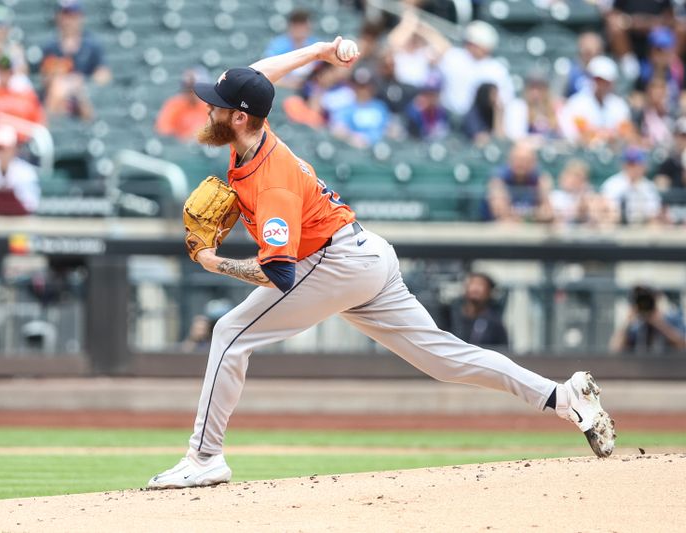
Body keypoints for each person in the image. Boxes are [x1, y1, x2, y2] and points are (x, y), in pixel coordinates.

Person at [146, 37, 616, 490]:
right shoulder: (254, 130)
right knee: (445, 359)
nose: (208, 108)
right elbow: (259, 77)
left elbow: (279, 273)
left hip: (333, 263)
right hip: (365, 253)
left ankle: (204, 458)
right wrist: (319, 51)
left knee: (230, 334)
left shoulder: (273, 184)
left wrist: (213, 261)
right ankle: (562, 397)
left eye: (217, 104)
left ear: (241, 117)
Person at [40, 0, 110, 119]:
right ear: (58, 17)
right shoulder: (50, 46)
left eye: (73, 15)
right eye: (65, 14)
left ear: (80, 17)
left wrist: (84, 82)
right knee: (58, 88)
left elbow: (104, 75)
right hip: (58, 94)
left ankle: (90, 129)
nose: (68, 20)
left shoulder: (91, 44)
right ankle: (53, 125)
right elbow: (45, 77)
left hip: (84, 92)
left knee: (81, 96)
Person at [435, 21, 515, 116]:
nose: (471, 47)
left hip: (481, 119)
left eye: (475, 44)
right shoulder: (455, 56)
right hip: (448, 114)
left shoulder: (497, 69)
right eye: (470, 43)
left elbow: (505, 99)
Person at [558, 56, 633, 147]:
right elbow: (574, 136)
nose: (601, 84)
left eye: (605, 81)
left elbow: (625, 135)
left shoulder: (619, 105)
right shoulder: (576, 104)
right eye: (598, 80)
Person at [604, 0, 675, 80]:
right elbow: (614, 14)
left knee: (664, 36)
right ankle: (629, 67)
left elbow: (669, 16)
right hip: (629, 32)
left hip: (655, 31)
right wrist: (630, 21)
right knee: (616, 29)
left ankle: (667, 70)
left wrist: (648, 23)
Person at [485, 141, 553, 223]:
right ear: (510, 160)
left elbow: (547, 211)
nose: (521, 164)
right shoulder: (498, 177)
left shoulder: (540, 178)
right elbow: (500, 211)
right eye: (518, 159)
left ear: (533, 162)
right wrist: (533, 215)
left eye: (526, 160)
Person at [610, 285, 686, 353]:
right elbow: (615, 348)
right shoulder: (636, 325)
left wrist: (659, 324)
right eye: (640, 300)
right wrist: (627, 322)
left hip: (667, 367)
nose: (644, 303)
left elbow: (683, 345)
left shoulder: (672, 318)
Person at [440, 273, 508, 348]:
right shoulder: (450, 314)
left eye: (481, 285)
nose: (475, 288)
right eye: (472, 284)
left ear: (489, 291)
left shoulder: (494, 322)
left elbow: (503, 350)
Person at [600, 146, 662, 225]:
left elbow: (653, 214)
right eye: (630, 164)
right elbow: (607, 212)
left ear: (643, 166)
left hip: (643, 228)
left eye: (636, 164)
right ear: (624, 165)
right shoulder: (612, 184)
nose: (633, 168)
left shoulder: (649, 187)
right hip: (617, 228)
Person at [330, 67, 391, 148]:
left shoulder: (380, 107)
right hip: (351, 147)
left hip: (377, 150)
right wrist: (351, 136)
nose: (362, 90)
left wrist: (368, 139)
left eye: (366, 86)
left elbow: (388, 129)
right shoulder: (346, 107)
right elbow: (339, 127)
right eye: (359, 86)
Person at [263, 9, 318, 88]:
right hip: (284, 90)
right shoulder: (278, 46)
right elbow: (266, 73)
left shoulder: (316, 45)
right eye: (296, 25)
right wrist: (289, 83)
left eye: (302, 24)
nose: (299, 29)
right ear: (290, 26)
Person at [155, 67, 210, 142]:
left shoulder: (209, 107)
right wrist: (184, 136)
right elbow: (163, 129)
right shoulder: (174, 104)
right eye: (188, 88)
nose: (192, 92)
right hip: (179, 146)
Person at [504, 73, 560, 143]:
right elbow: (515, 137)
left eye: (540, 88)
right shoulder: (519, 107)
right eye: (532, 88)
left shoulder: (553, 108)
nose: (535, 93)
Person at [549, 158, 596, 226]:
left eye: (579, 177)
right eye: (571, 176)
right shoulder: (555, 196)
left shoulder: (588, 195)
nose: (573, 180)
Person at [631, 77, 675, 149]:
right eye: (655, 92)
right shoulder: (641, 113)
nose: (658, 96)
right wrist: (641, 141)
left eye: (661, 93)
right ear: (649, 93)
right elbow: (634, 135)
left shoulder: (671, 113)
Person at [403, 73, 450, 140]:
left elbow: (445, 133)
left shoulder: (442, 112)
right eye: (427, 93)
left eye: (433, 94)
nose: (430, 97)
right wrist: (417, 111)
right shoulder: (414, 110)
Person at [564, 32, 604, 98]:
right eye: (586, 50)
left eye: (592, 50)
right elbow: (558, 98)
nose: (589, 53)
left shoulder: (606, 70)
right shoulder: (568, 70)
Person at [653, 116, 686, 190]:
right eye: (678, 136)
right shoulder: (669, 161)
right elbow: (660, 185)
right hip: (675, 200)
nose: (681, 140)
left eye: (684, 137)